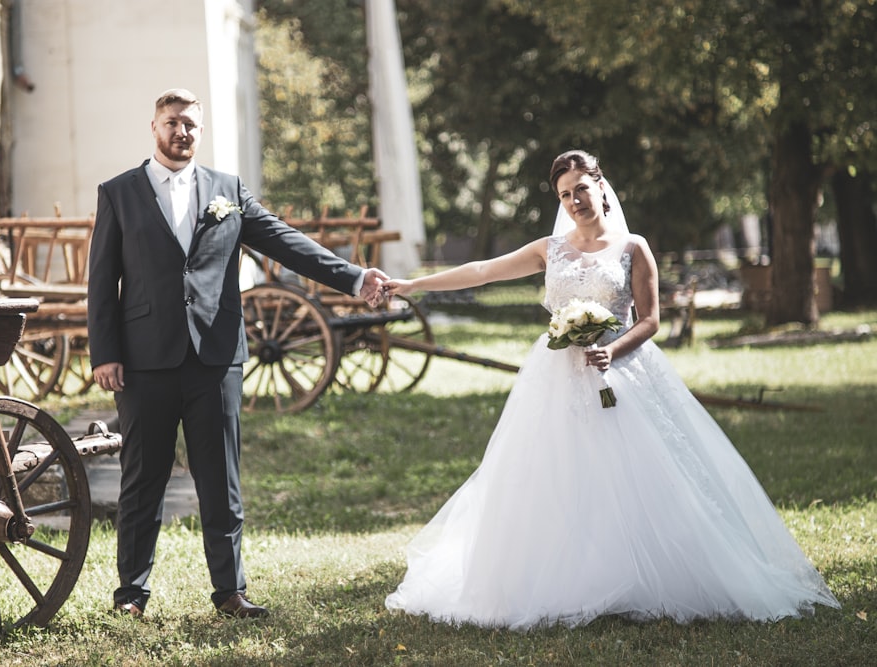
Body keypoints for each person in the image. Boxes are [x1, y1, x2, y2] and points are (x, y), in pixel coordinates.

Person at [381, 149, 840, 629]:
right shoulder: (549, 249)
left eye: (581, 187)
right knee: (553, 473)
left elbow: (651, 321)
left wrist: (613, 351)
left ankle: (645, 576)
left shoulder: (632, 248)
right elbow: (481, 270)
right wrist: (412, 285)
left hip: (623, 374)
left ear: (601, 186)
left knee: (637, 476)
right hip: (556, 379)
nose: (575, 199)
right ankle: (569, 579)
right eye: (565, 194)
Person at [87, 88, 387, 619]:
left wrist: (355, 277)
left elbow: (285, 241)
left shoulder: (227, 190)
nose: (182, 132)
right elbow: (100, 281)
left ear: (200, 132)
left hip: (216, 357)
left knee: (220, 478)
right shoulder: (118, 192)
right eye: (172, 123)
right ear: (153, 127)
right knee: (142, 479)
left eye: (191, 126)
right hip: (144, 360)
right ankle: (131, 595)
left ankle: (230, 591)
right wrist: (105, 353)